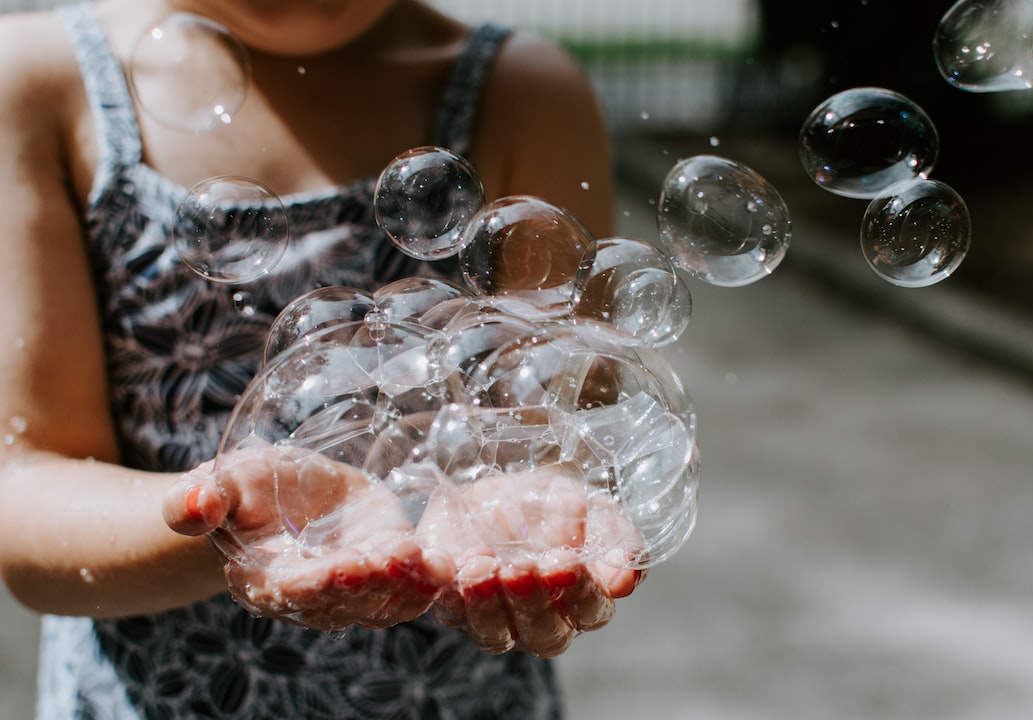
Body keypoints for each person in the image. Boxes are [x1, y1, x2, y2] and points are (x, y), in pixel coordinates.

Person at [0, 0, 635, 717]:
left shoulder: (523, 95)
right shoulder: (40, 81)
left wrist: (537, 511)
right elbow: (22, 492)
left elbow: (564, 430)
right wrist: (225, 524)